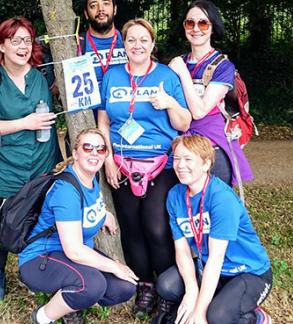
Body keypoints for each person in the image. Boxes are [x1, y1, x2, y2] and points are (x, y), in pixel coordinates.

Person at [98, 18, 192, 318]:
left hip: (160, 164)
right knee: (132, 228)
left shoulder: (166, 76)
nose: (137, 45)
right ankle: (145, 285)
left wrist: (169, 103)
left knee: (156, 226)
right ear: (123, 44)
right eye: (131, 40)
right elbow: (103, 120)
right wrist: (108, 158)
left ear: (152, 44)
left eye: (143, 40)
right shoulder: (112, 76)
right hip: (122, 163)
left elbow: (185, 123)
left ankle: (167, 290)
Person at [19, 128, 137, 324]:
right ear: (75, 153)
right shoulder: (66, 191)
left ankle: (69, 300)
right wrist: (114, 266)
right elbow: (74, 251)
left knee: (124, 287)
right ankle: (41, 317)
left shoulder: (92, 176)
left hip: (71, 255)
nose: (94, 153)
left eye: (100, 149)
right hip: (41, 258)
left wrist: (104, 214)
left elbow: (89, 205)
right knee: (93, 285)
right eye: (87, 147)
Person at [153, 134, 272, 324]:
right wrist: (192, 291)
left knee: (215, 317)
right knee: (166, 286)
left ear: (206, 164)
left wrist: (200, 313)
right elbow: (182, 250)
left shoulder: (221, 198)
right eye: (176, 159)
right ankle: (213, 298)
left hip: (247, 272)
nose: (180, 165)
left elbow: (216, 258)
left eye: (188, 159)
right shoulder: (175, 196)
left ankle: (255, 317)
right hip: (208, 267)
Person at [0, 16, 62, 302]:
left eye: (27, 40)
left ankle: (30, 268)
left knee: (37, 216)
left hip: (41, 160)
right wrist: (26, 122)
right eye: (14, 40)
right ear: (1, 46)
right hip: (4, 164)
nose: (22, 46)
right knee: (1, 218)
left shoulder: (43, 75)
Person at [168, 0, 253, 186]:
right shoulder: (179, 62)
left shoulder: (223, 66)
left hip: (212, 145)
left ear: (213, 27)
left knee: (215, 204)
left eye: (203, 23)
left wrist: (182, 73)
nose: (196, 28)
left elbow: (200, 111)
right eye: (190, 23)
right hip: (181, 144)